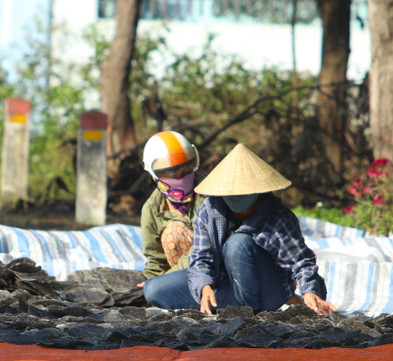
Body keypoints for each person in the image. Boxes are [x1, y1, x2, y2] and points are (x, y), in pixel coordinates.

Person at [151, 142, 336, 316]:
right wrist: (204, 286)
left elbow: (299, 260)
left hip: (266, 290)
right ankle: (230, 306)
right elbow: (201, 257)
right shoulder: (208, 212)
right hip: (225, 284)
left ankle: (244, 310)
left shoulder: (278, 216)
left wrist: (310, 292)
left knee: (238, 243)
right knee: (154, 290)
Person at [139, 130, 202, 309]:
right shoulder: (152, 209)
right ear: (154, 176)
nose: (180, 178)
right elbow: (155, 259)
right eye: (171, 173)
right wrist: (151, 283)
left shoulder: (210, 196)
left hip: (213, 263)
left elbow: (209, 246)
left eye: (186, 170)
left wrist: (165, 280)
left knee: (175, 231)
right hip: (183, 274)